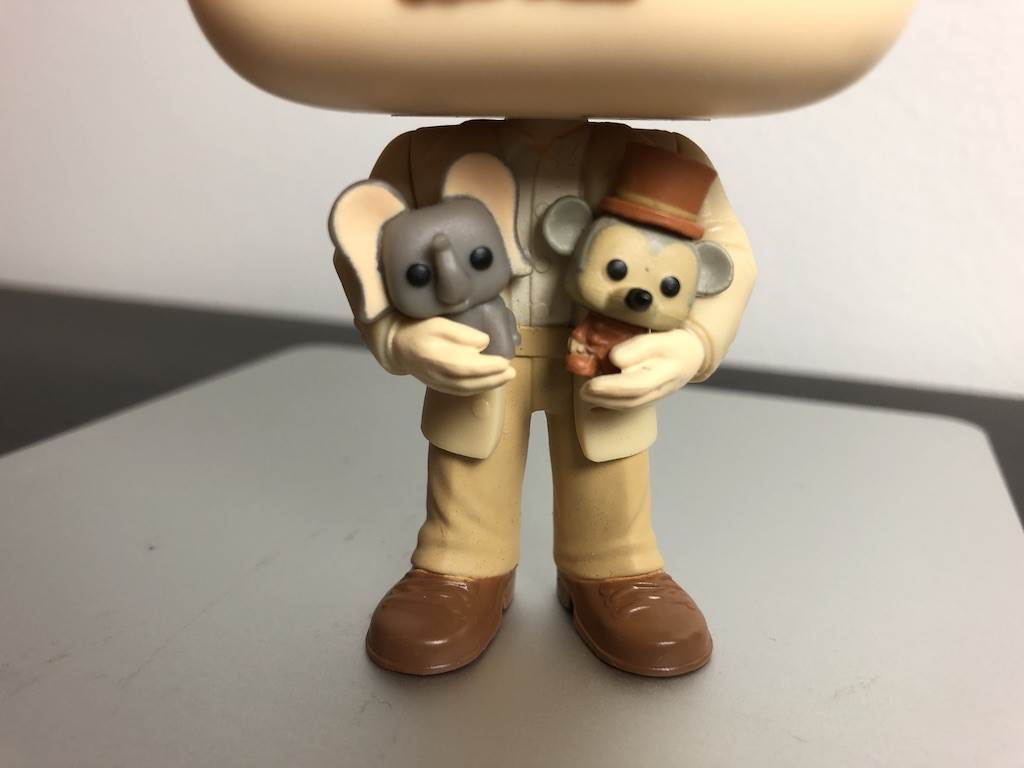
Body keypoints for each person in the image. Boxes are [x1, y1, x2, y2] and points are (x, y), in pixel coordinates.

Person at [187, 0, 915, 677]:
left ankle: (615, 568)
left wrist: (692, 342)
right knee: (469, 455)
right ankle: (461, 565)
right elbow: (366, 255)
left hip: (606, 353)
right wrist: (399, 337)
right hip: (479, 350)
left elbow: (728, 259)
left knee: (610, 459)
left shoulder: (667, 156)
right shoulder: (418, 154)